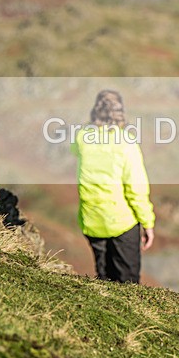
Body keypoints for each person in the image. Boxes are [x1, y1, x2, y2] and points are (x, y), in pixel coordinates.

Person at [71, 90, 156, 283]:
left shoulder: (83, 137)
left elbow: (74, 150)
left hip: (92, 221)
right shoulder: (126, 143)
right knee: (128, 284)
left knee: (103, 281)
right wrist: (148, 223)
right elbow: (136, 190)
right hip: (122, 223)